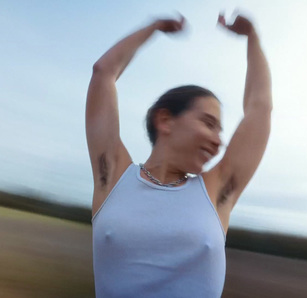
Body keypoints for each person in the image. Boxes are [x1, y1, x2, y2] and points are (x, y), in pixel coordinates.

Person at [85, 12, 272, 298]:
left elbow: (259, 109)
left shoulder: (217, 191)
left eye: (221, 131)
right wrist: (154, 27)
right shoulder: (111, 176)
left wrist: (253, 38)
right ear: (166, 121)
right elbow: (103, 72)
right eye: (209, 124)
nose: (219, 141)